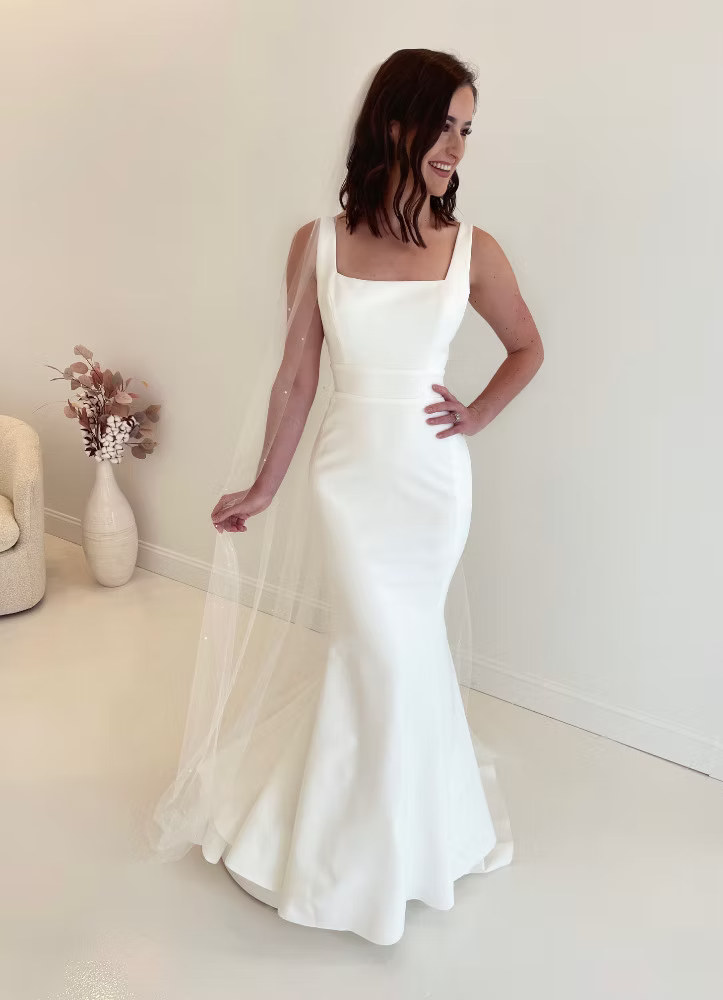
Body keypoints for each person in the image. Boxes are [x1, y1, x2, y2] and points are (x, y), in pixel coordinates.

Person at [154, 48, 543, 947]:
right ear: (393, 122)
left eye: (467, 128)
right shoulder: (317, 244)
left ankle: (402, 834)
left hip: (432, 485)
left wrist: (476, 413)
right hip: (348, 480)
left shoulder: (473, 249)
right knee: (379, 649)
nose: (455, 146)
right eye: (443, 123)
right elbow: (297, 379)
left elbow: (527, 346)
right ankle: (357, 845)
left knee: (399, 653)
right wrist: (262, 484)